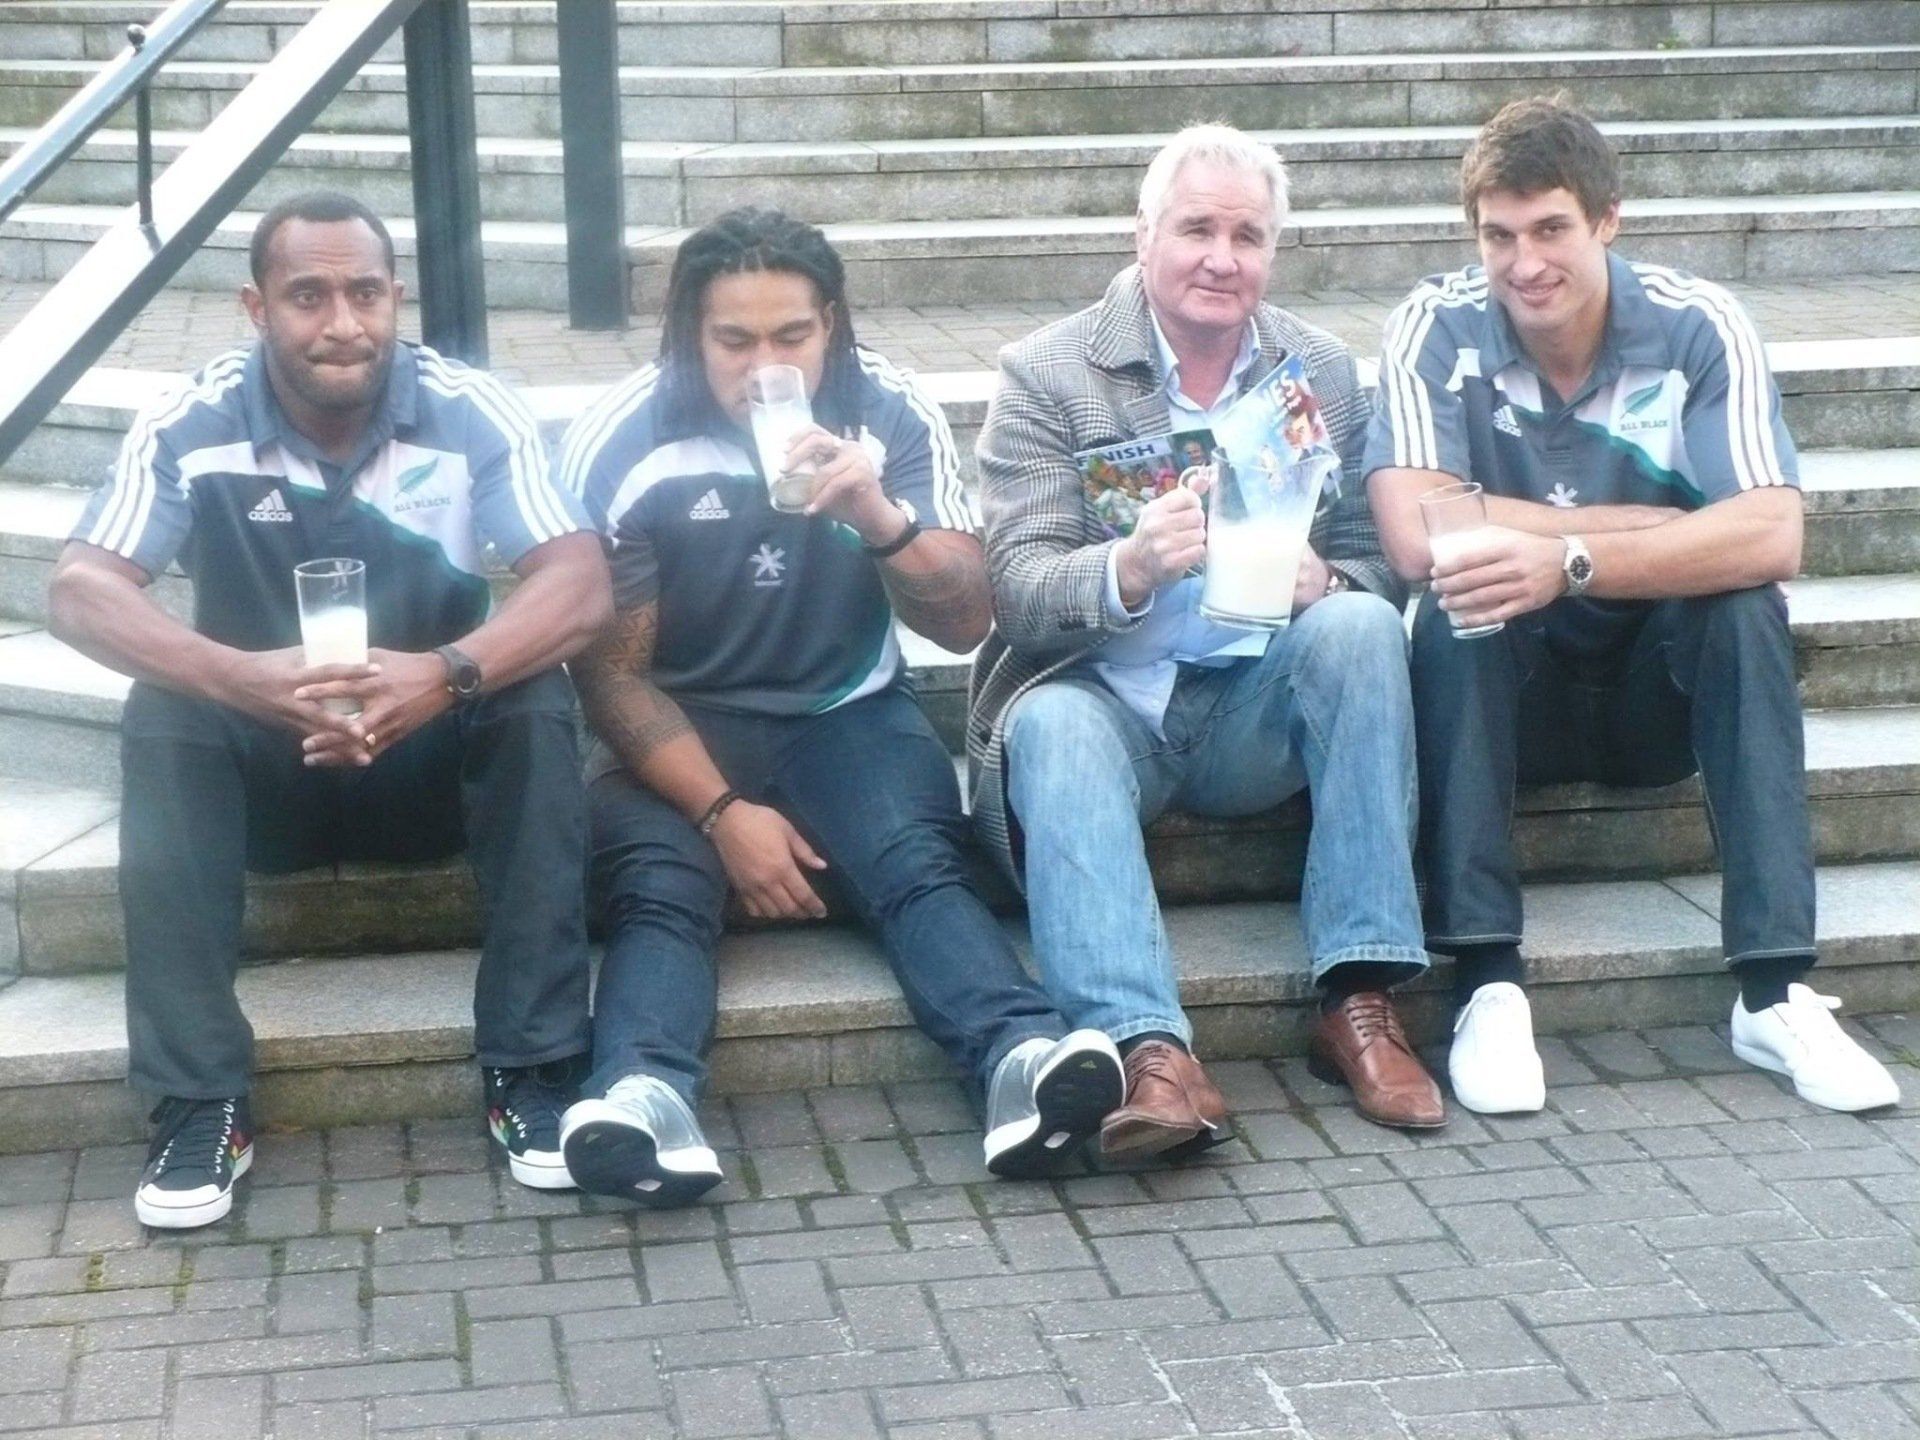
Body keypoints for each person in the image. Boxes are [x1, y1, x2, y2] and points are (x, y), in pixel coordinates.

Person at [47, 191, 612, 1229]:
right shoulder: (195, 417)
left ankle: (533, 1070)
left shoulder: (468, 408)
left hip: (429, 760)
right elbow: (80, 590)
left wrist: (445, 672)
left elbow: (578, 581)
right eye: (308, 296)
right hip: (268, 774)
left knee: (531, 690)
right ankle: (198, 1100)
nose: (341, 322)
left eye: (363, 292)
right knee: (165, 709)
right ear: (256, 309)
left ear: (397, 298)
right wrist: (240, 677)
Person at [556, 207, 1121, 1205]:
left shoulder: (885, 409)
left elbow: (964, 619)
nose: (763, 363)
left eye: (792, 337)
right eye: (734, 340)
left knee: (914, 862)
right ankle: (642, 1099)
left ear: (833, 326)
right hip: (680, 725)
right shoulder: (626, 436)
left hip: (845, 712)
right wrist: (723, 815)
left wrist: (880, 517)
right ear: (691, 332)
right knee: (663, 886)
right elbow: (610, 675)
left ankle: (1020, 1061)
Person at [1365, 96, 1900, 1115]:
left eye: (1552, 228)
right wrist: (1665, 530)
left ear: (1608, 219)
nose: (1525, 264)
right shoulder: (1434, 326)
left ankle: (1774, 989)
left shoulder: (1697, 325)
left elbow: (1773, 535)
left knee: (1743, 606)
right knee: (1456, 593)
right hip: (1502, 700)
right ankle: (1487, 981)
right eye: (1500, 236)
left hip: (1656, 696)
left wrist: (1564, 554)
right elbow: (1412, 530)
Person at [970, 124, 1444, 1158]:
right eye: (1196, 229)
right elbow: (1010, 589)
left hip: (1249, 707)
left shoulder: (1315, 368)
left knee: (1362, 627)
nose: (1222, 259)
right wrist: (1128, 567)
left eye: (1247, 235)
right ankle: (1150, 1052)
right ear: (1142, 235)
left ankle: (1359, 998)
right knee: (1047, 723)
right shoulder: (1050, 374)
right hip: (1105, 707)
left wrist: (1335, 578)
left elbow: (1379, 562)